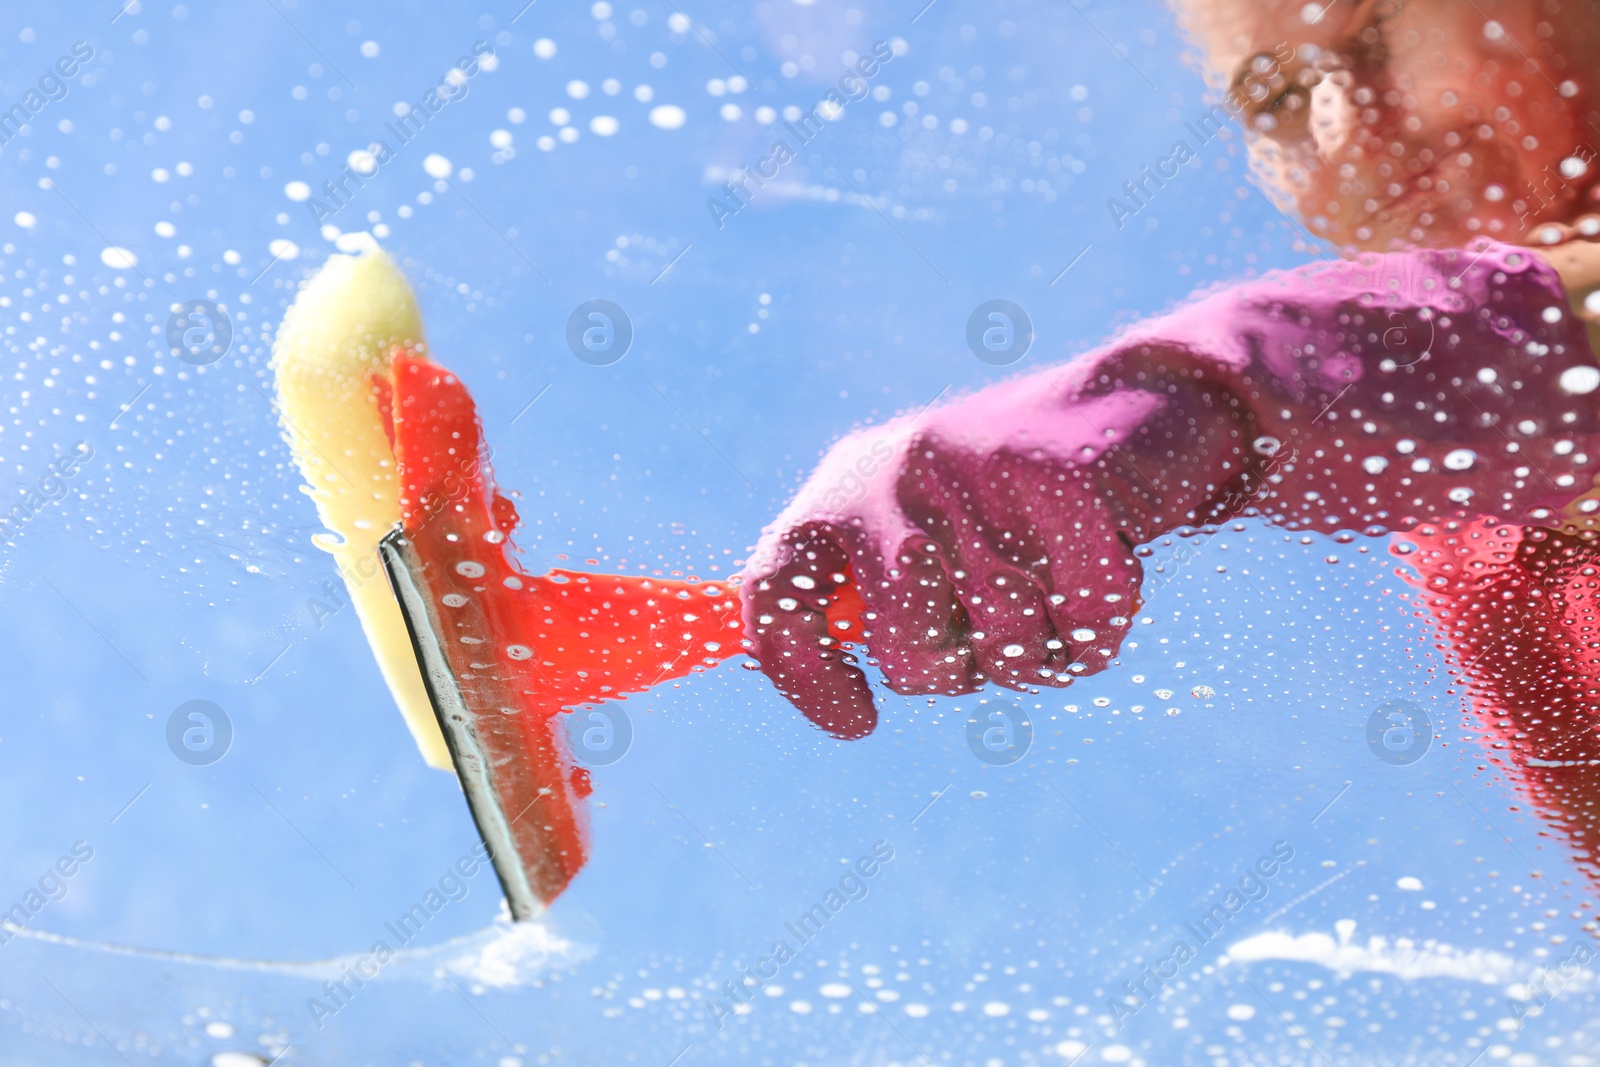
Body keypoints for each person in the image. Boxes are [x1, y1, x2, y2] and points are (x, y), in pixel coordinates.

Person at [740, 0, 1600, 889]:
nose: (1346, 138)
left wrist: (1240, 388)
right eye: (1279, 99)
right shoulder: (1479, 556)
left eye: (1374, 30)